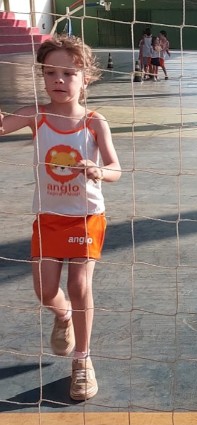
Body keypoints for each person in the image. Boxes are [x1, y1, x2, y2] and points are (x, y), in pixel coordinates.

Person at [0, 34, 121, 401]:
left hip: (86, 217)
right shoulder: (35, 115)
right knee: (45, 291)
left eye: (69, 73)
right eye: (51, 72)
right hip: (48, 217)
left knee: (79, 285)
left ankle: (82, 360)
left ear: (86, 78)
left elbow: (116, 168)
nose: (59, 80)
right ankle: (63, 315)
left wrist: (99, 171)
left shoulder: (95, 122)